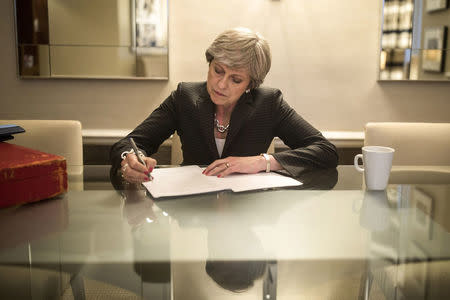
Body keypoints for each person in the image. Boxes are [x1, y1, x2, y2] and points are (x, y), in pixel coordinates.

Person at [110, 27, 338, 184]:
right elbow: (129, 143)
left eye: (236, 79)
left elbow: (325, 151)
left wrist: (262, 162)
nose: (221, 84)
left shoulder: (269, 102)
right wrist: (130, 159)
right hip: (193, 207)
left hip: (249, 211)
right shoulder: (184, 97)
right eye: (218, 70)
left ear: (251, 84)